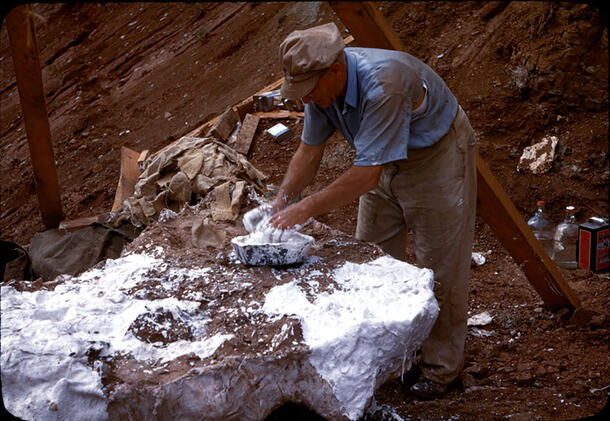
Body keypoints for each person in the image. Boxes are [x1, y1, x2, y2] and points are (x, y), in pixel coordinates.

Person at [264, 22, 477, 398]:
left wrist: (307, 208)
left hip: (435, 158)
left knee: (439, 267)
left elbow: (365, 176)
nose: (306, 99)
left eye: (309, 91)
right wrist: (283, 198)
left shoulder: (384, 83)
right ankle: (393, 353)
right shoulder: (321, 91)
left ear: (335, 68)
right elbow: (308, 152)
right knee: (370, 258)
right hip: (379, 160)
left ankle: (440, 369)